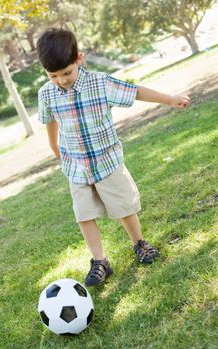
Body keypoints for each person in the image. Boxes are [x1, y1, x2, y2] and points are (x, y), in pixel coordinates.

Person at [36, 28, 190, 287]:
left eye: (66, 73)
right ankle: (100, 262)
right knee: (84, 215)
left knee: (124, 207)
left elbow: (135, 91)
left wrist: (169, 99)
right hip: (76, 167)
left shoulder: (100, 82)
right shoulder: (46, 94)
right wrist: (57, 153)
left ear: (79, 59)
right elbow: (51, 126)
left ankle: (139, 243)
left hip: (107, 161)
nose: (61, 80)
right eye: (53, 75)